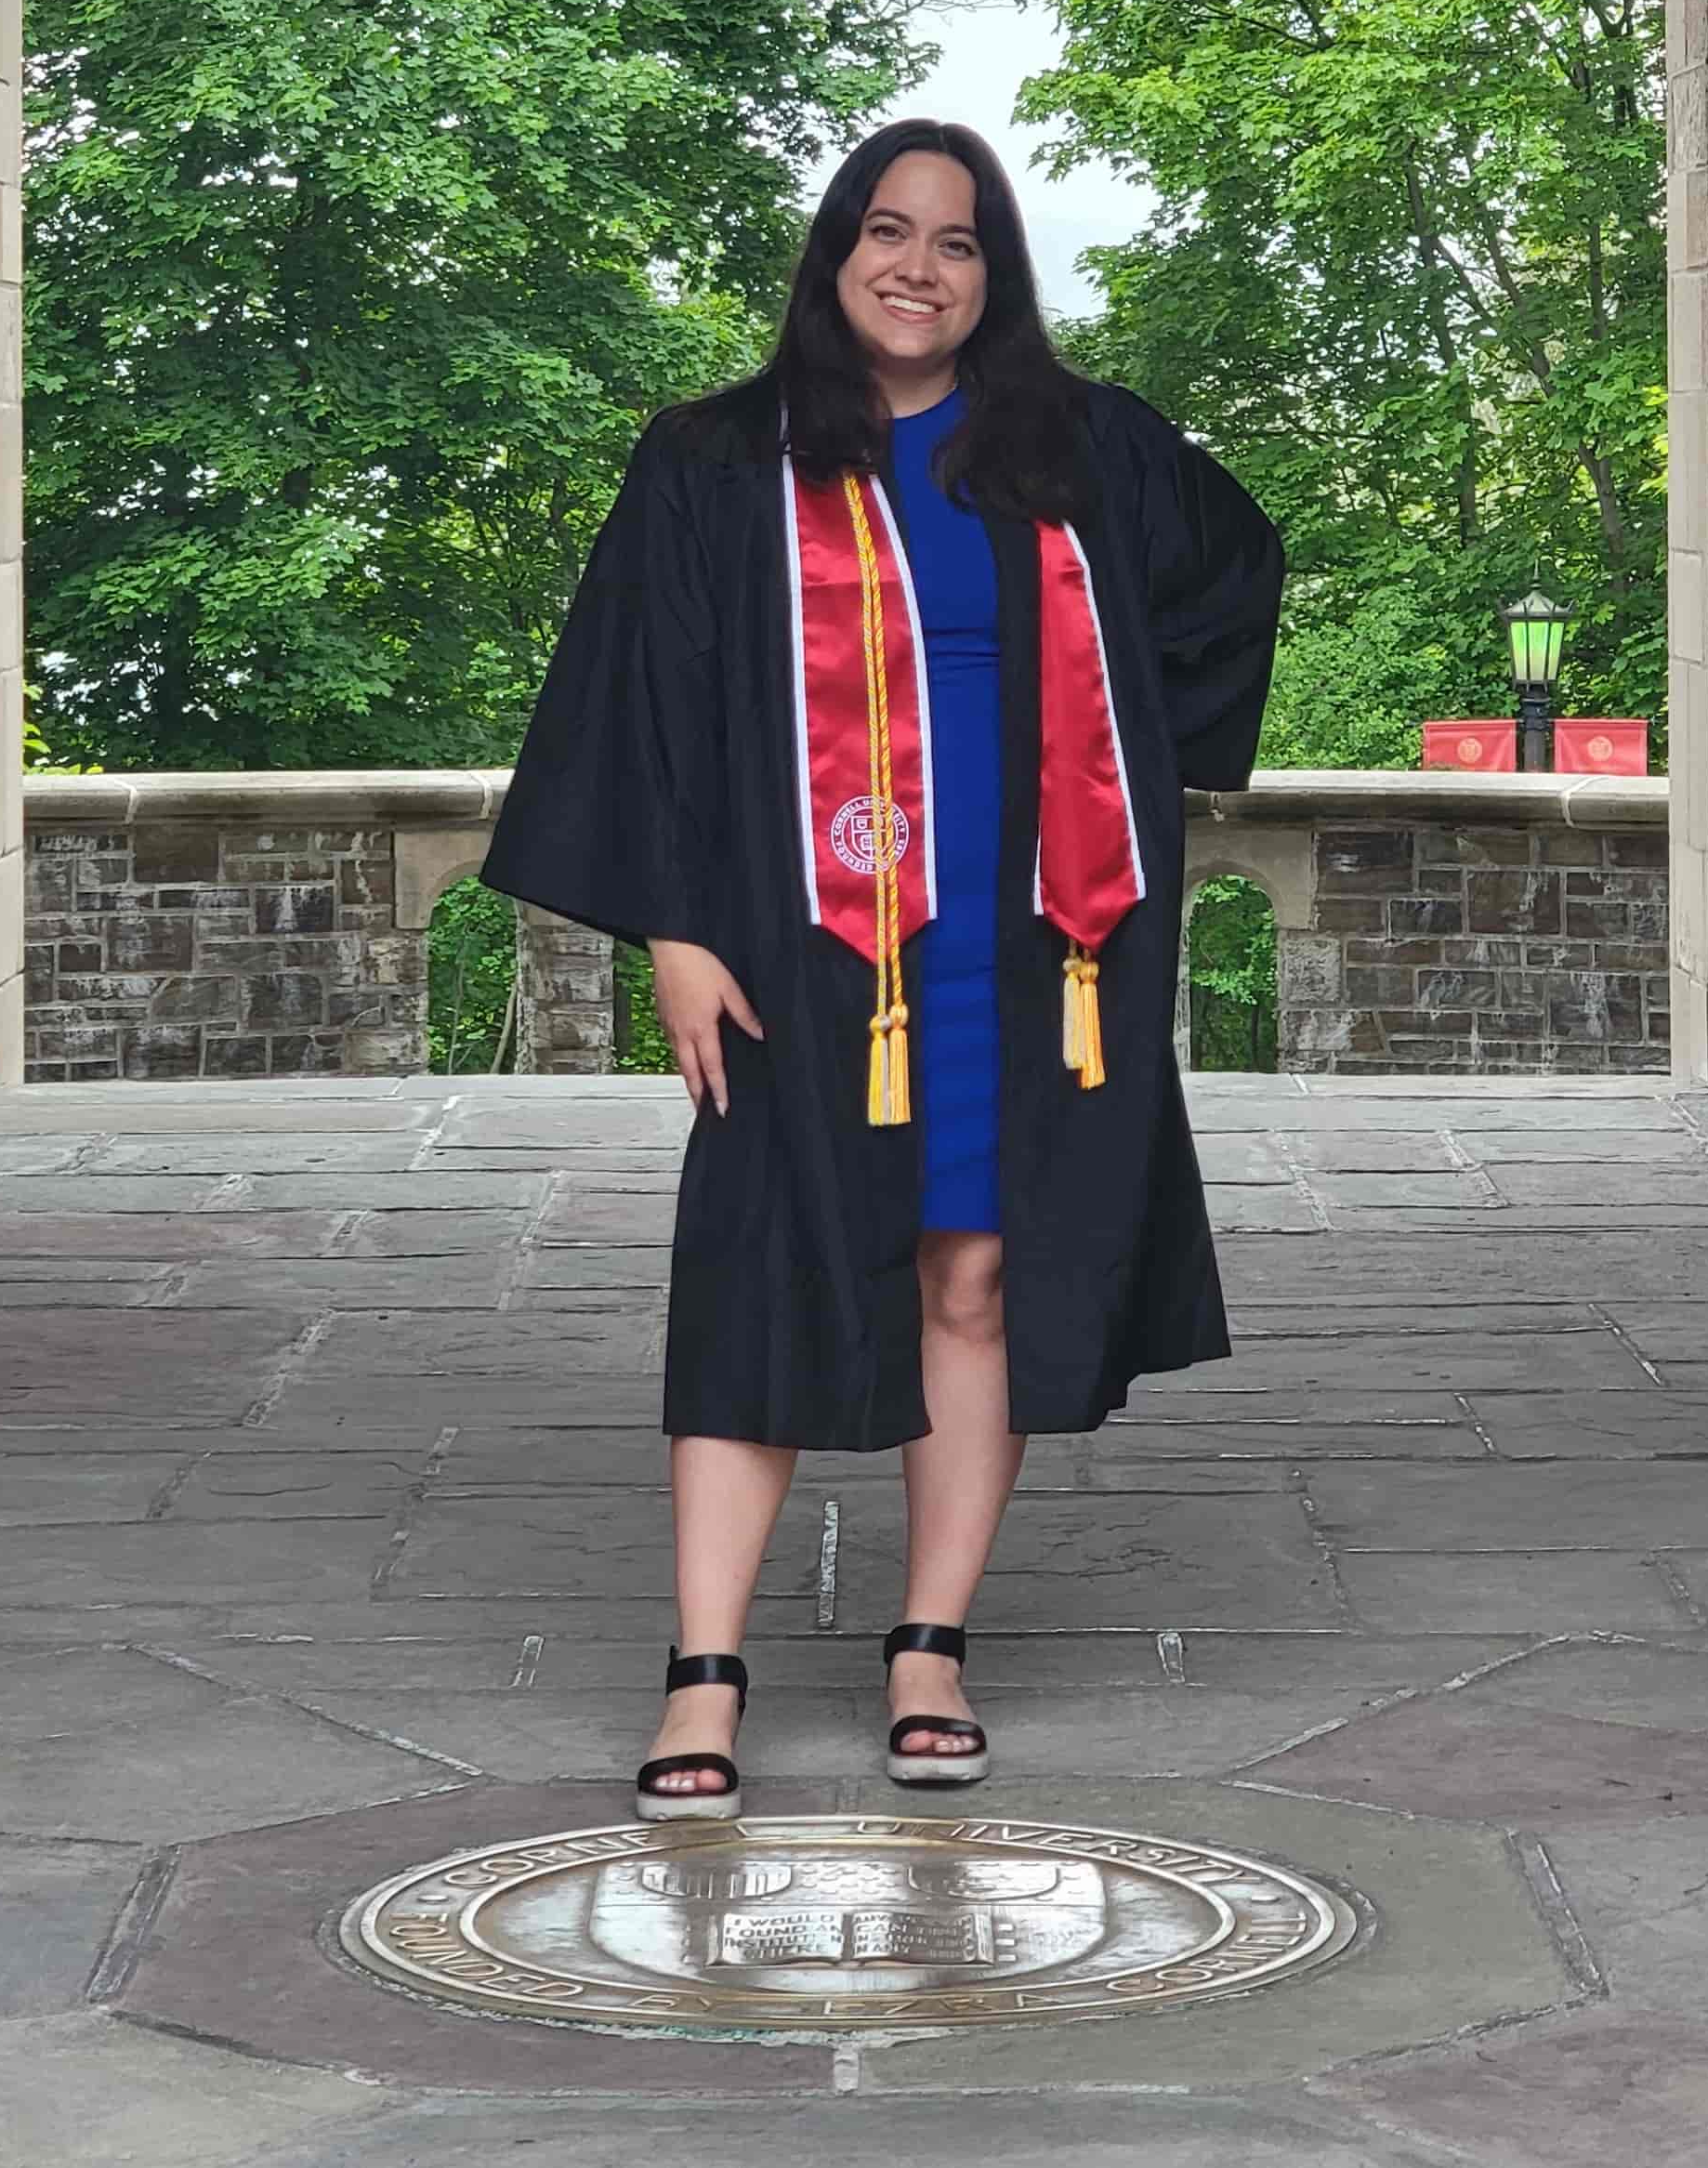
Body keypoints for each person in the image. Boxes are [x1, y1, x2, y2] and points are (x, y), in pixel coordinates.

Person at [480, 117, 1283, 1820]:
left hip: (1032, 943)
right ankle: (706, 1669)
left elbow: (1230, 578)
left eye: (961, 240)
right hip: (803, 946)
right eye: (889, 232)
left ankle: (932, 1644)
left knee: (974, 1279)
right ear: (835, 253)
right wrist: (676, 934)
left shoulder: (1076, 450)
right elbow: (645, 708)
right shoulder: (716, 460)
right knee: (763, 1260)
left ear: (995, 274)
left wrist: (1131, 781)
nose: (921, 268)